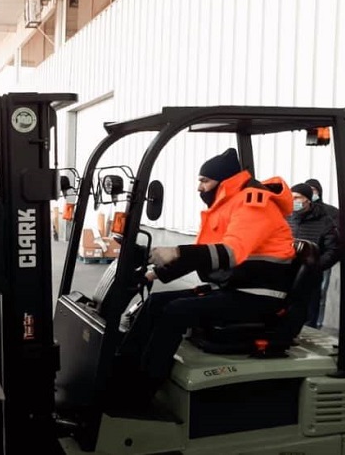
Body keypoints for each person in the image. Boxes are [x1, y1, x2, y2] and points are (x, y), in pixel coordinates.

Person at [115, 148, 296, 408]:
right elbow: (202, 254)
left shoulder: (254, 204)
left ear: (224, 181)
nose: (199, 187)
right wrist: (153, 274)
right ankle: (123, 369)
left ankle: (143, 390)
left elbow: (231, 252)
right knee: (155, 303)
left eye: (204, 181)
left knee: (176, 311)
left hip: (259, 296)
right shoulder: (226, 206)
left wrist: (176, 251)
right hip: (236, 288)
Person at [286, 183, 340, 328]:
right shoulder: (287, 218)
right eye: (291, 198)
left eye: (297, 197)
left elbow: (333, 250)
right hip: (287, 275)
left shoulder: (324, 221)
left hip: (310, 277)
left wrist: (316, 266)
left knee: (309, 315)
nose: (294, 201)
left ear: (308, 200)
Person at [305, 178, 340, 323]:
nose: (312, 193)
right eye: (309, 190)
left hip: (322, 258)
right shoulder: (299, 212)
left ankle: (317, 323)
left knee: (320, 292)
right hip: (303, 260)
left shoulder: (331, 212)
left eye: (314, 190)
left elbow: (336, 239)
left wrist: (323, 261)